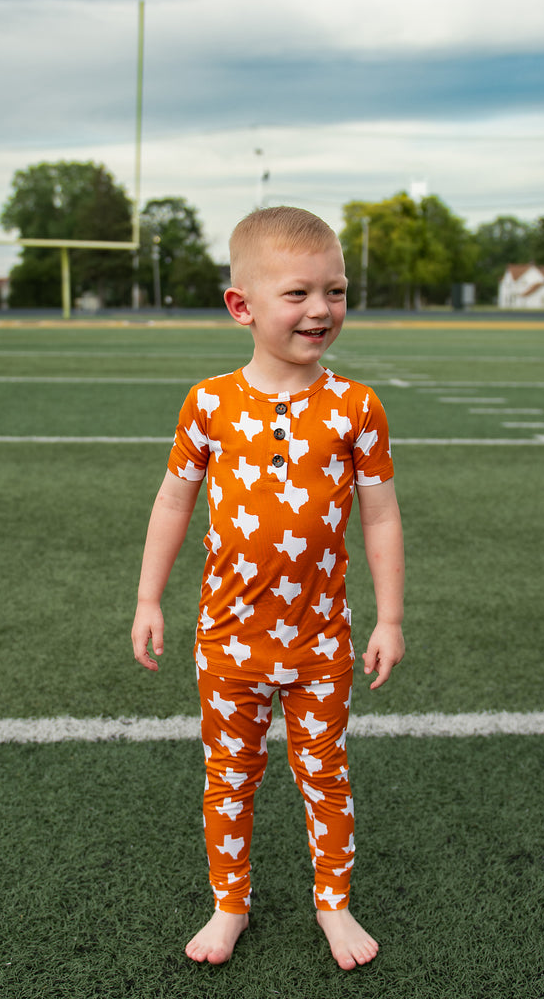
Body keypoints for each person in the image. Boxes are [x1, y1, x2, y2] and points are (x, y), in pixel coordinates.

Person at [131, 206, 405, 970]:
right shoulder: (209, 403)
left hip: (321, 641)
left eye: (337, 290)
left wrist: (389, 617)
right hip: (229, 640)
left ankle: (334, 904)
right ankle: (230, 904)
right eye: (298, 293)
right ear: (241, 306)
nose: (321, 309)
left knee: (326, 775)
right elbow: (173, 501)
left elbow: (380, 516)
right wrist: (150, 598)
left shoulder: (356, 408)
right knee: (229, 779)